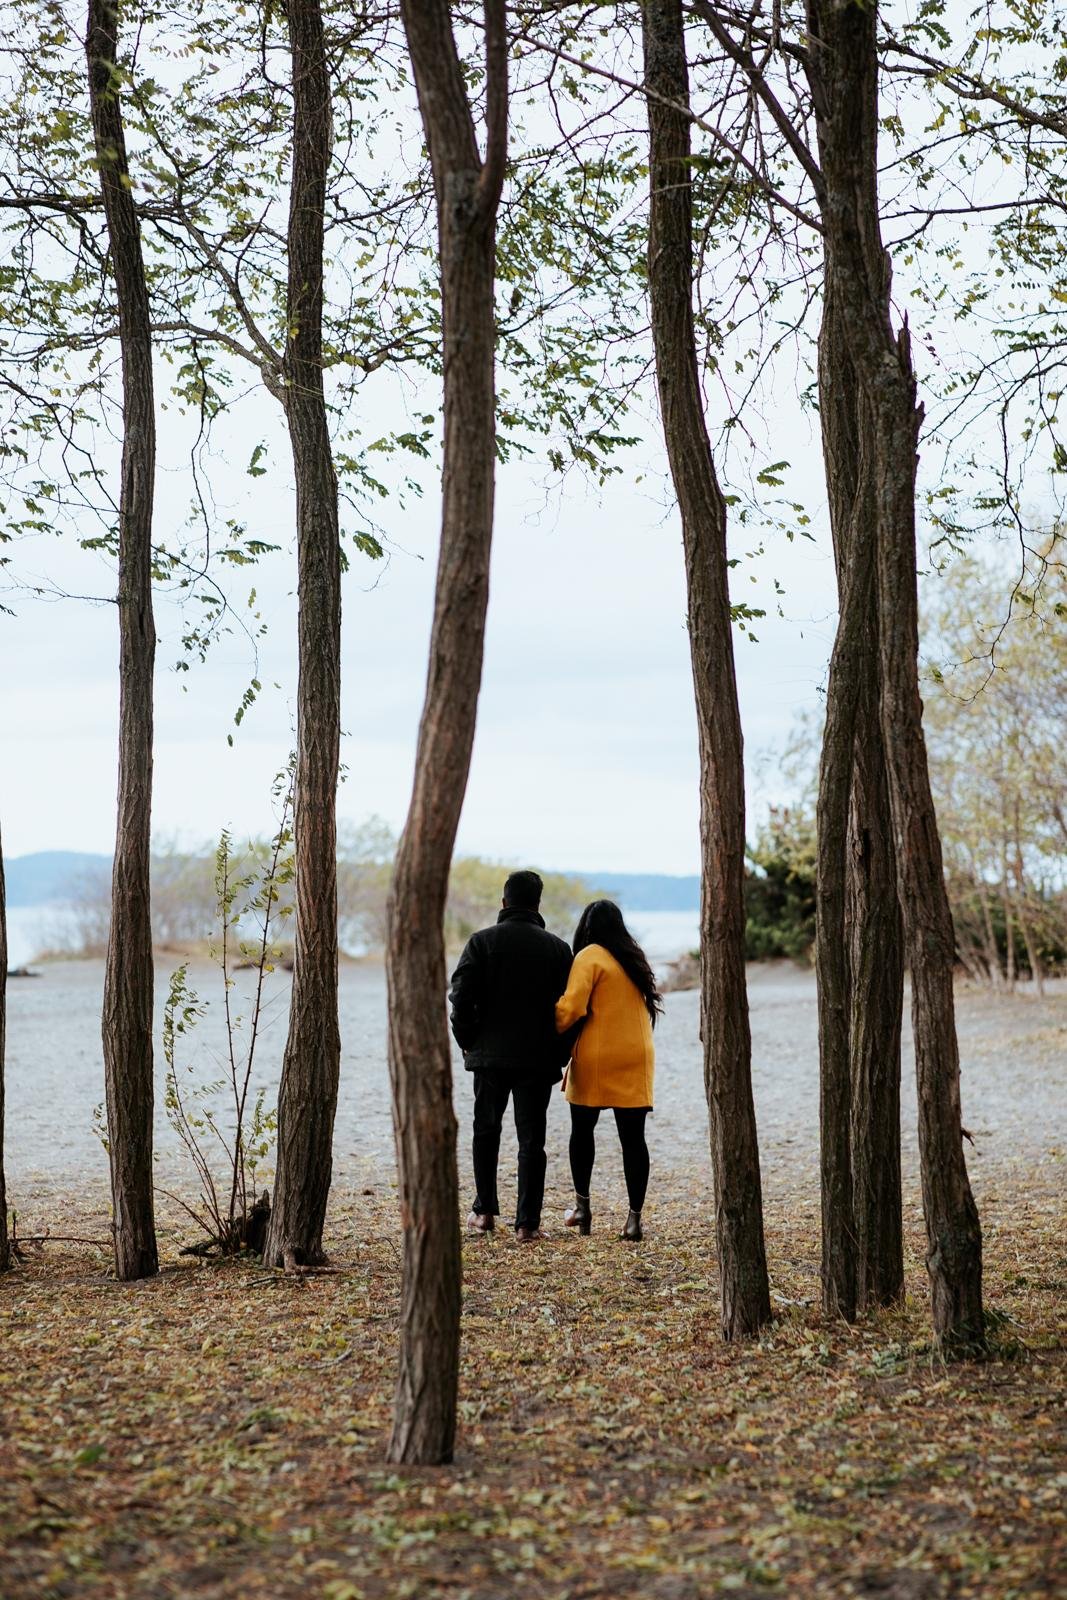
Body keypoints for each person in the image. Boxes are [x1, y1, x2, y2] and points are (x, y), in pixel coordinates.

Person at [449, 869, 574, 1241]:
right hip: (537, 1059)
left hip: (487, 1056)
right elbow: (569, 1010)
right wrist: (561, 1052)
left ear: (503, 903)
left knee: (486, 1131)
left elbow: (460, 998)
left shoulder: (480, 942)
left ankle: (484, 1211)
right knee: (532, 1141)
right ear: (537, 904)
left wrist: (467, 1040)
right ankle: (527, 1224)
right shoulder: (556, 949)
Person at [555, 900, 663, 1241]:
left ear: (586, 927)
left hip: (598, 1055)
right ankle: (634, 1220)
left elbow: (570, 1008)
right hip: (637, 1055)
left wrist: (545, 1022)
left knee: (582, 1131)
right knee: (633, 1139)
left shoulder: (589, 956)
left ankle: (583, 1209)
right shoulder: (634, 957)